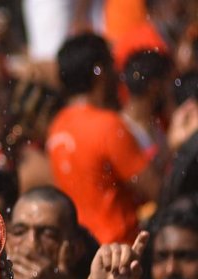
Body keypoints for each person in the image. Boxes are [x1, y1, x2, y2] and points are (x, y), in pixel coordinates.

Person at [47, 33, 158, 245]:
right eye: (111, 64)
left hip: (81, 248)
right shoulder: (108, 125)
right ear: (99, 71)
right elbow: (157, 190)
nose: (117, 74)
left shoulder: (57, 125)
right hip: (120, 249)